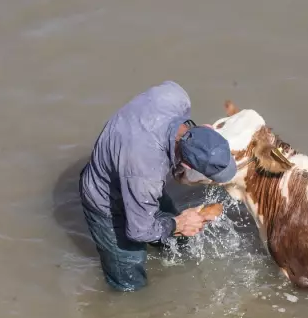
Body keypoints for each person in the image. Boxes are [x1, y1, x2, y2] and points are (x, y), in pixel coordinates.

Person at [79, 81, 237, 292]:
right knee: (130, 281)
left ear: (207, 129)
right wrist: (177, 224)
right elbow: (139, 230)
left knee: (180, 245)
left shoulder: (175, 97)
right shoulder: (146, 173)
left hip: (134, 172)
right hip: (107, 202)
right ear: (188, 165)